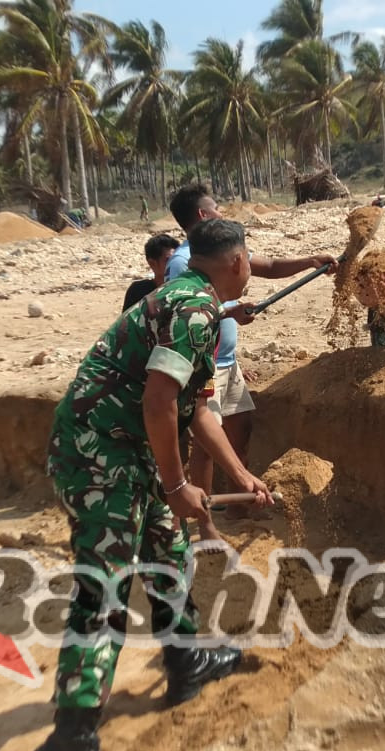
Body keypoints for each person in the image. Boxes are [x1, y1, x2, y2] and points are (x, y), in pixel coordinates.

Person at [37, 218, 274, 751]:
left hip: (132, 446)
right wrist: (177, 483)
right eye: (249, 261)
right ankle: (73, 733)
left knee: (167, 550)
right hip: (98, 451)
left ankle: (186, 660)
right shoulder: (193, 310)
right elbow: (159, 402)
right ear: (237, 262)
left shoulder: (198, 306)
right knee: (105, 583)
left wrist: (241, 477)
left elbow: (193, 410)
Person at [164, 184, 335, 518]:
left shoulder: (225, 248)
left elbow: (268, 265)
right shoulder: (183, 262)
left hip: (227, 362)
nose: (222, 211)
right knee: (205, 445)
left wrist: (310, 261)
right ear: (202, 214)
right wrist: (229, 312)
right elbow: (182, 316)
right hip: (204, 364)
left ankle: (240, 507)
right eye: (217, 207)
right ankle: (205, 519)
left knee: (239, 432)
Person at [122, 234, 178, 312]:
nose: (175, 264)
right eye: (168, 260)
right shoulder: (138, 292)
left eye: (176, 259)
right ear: (152, 264)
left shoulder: (186, 288)